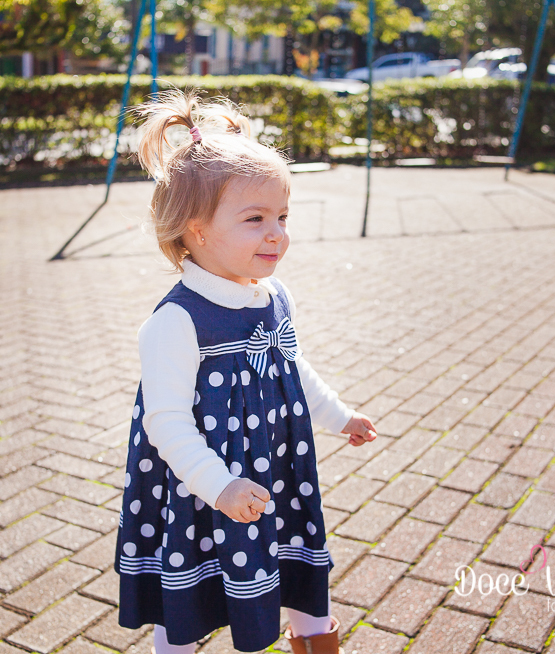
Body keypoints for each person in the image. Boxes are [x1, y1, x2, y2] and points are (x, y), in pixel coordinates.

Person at [115, 89, 378, 654]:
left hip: (277, 474)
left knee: (301, 572)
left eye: (282, 216)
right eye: (255, 219)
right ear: (196, 230)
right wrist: (219, 486)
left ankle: (314, 642)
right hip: (206, 489)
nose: (276, 233)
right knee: (189, 595)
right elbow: (164, 424)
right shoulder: (177, 321)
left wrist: (338, 416)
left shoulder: (271, 296)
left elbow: (291, 367)